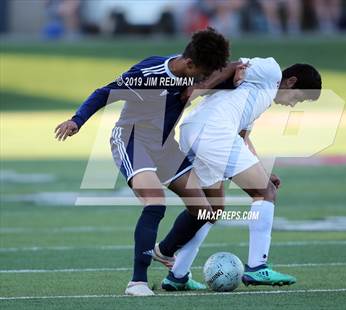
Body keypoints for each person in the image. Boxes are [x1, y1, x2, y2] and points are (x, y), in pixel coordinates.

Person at [54, 28, 235, 296]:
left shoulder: (196, 70)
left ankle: (165, 250)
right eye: (201, 74)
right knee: (155, 201)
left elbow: (232, 70)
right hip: (132, 140)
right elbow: (104, 92)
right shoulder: (148, 73)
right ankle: (137, 282)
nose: (204, 80)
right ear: (189, 64)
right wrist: (77, 120)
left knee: (205, 209)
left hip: (164, 146)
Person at [156, 58, 322, 289]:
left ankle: (177, 275)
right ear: (291, 81)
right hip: (213, 132)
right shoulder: (271, 71)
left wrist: (263, 171)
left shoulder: (257, 97)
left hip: (196, 130)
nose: (294, 104)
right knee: (266, 193)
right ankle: (257, 267)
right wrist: (197, 89)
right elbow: (233, 64)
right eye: (298, 98)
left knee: (211, 210)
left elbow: (243, 138)